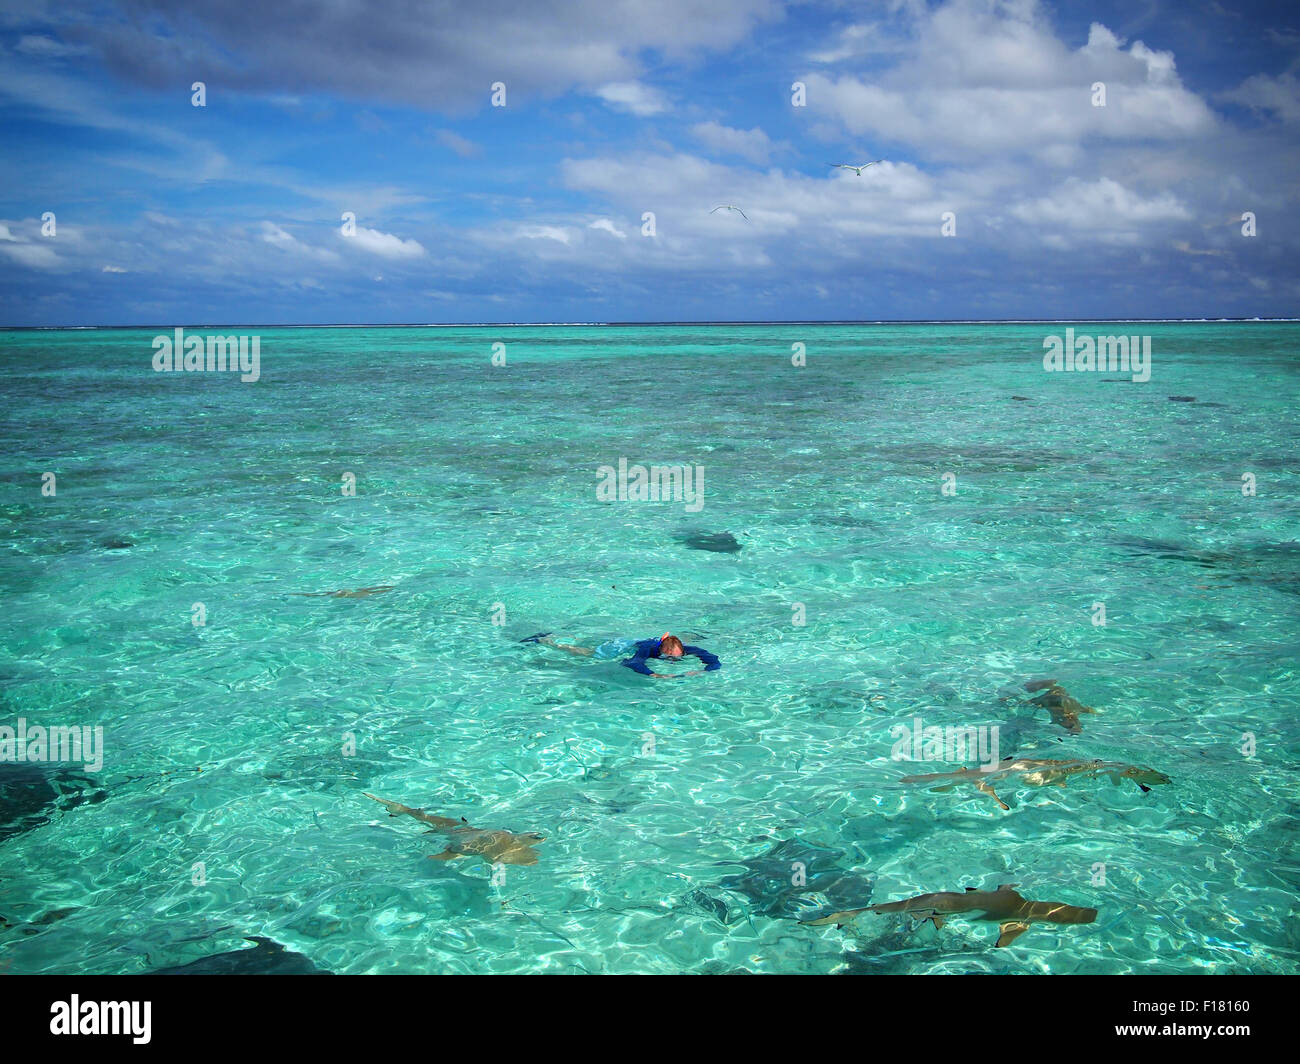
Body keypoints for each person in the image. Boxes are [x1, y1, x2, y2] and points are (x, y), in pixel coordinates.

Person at [521, 631, 720, 679]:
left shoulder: (685, 649)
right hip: (627, 646)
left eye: (677, 657)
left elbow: (713, 660)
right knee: (588, 654)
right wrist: (654, 675)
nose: (674, 661)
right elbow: (634, 663)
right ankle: (546, 641)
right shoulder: (649, 650)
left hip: (655, 640)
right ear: (661, 651)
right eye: (670, 658)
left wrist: (703, 671)